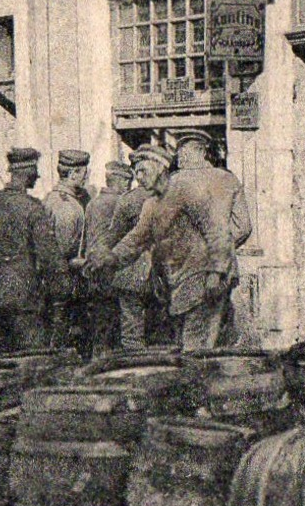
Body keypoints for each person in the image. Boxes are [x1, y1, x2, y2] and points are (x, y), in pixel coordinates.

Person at [88, 130, 252, 350]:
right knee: (198, 343)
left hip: (202, 276)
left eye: (143, 171)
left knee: (195, 346)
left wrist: (215, 270)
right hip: (182, 280)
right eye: (136, 172)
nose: (138, 178)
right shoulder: (152, 203)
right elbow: (137, 238)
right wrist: (110, 258)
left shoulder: (185, 191)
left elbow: (217, 232)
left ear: (160, 169)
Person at [0, 147, 66, 357]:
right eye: (35, 171)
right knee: (29, 359)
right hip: (23, 296)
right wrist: (61, 286)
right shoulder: (33, 208)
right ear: (28, 173)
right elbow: (49, 257)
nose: (37, 176)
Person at [100, 145, 171, 350]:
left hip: (131, 273)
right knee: (165, 332)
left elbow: (114, 236)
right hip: (163, 271)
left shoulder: (128, 200)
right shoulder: (174, 197)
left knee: (132, 333)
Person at [81, 160, 134, 353]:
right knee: (116, 324)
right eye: (128, 181)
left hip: (94, 269)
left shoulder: (93, 203)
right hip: (113, 270)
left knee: (100, 323)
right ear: (121, 181)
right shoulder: (121, 203)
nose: (129, 185)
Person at [42, 149, 92, 352]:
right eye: (84, 174)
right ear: (73, 174)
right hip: (64, 283)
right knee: (62, 338)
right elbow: (62, 252)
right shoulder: (67, 207)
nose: (86, 178)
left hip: (53, 282)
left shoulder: (50, 198)